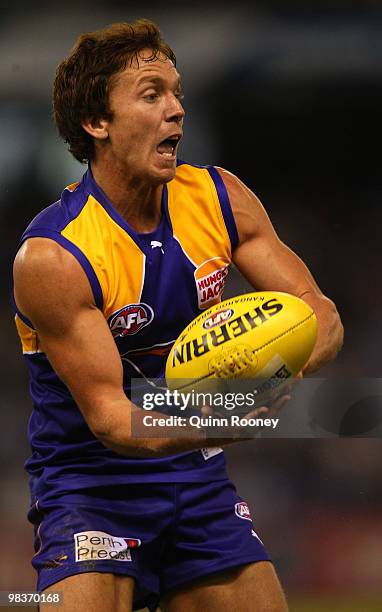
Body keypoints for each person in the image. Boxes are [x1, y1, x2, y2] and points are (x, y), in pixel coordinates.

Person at [12, 19, 343, 612]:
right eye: (151, 94)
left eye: (177, 92)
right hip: (91, 486)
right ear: (97, 124)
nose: (177, 110)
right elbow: (112, 418)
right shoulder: (55, 256)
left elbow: (322, 315)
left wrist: (277, 372)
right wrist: (228, 412)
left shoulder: (220, 197)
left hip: (195, 477)